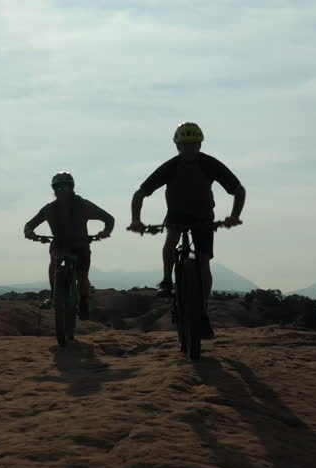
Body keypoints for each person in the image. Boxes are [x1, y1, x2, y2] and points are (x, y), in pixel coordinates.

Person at [127, 122, 245, 338]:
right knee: (171, 242)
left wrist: (235, 215)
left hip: (203, 217)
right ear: (178, 147)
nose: (190, 148)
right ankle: (166, 280)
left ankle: (202, 310)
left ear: (199, 145)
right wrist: (136, 220)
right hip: (177, 215)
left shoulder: (210, 164)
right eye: (185, 145)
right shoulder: (171, 166)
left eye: (193, 144)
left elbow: (238, 190)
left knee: (203, 262)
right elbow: (140, 193)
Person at [24, 171, 114, 320]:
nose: (61, 192)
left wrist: (106, 231)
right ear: (54, 190)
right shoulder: (49, 209)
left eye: (64, 188)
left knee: (82, 275)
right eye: (58, 189)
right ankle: (55, 294)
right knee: (54, 261)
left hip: (81, 244)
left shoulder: (83, 205)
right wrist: (29, 232)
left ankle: (84, 301)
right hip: (59, 243)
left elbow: (109, 219)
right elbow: (30, 224)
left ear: (71, 188)